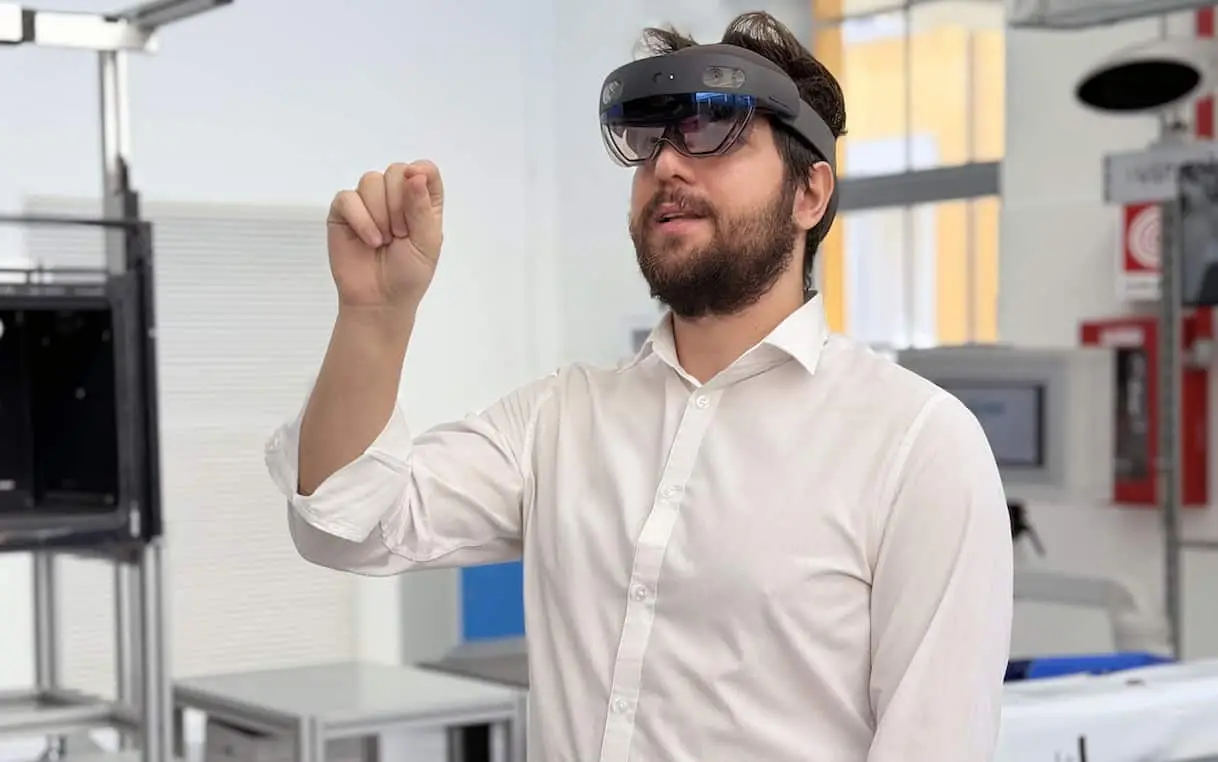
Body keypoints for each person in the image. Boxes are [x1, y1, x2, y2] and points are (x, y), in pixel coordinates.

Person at [265, 11, 1013, 762]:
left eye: (714, 130)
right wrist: (374, 316)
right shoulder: (563, 419)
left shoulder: (916, 445)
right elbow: (345, 523)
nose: (668, 166)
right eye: (649, 141)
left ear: (810, 194)